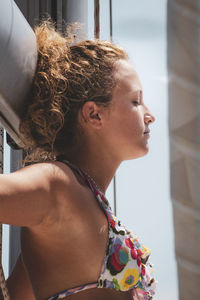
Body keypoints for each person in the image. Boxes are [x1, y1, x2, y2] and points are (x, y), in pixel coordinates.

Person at [0, 21, 156, 300]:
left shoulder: (77, 197)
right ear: (94, 115)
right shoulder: (58, 184)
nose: (149, 114)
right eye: (135, 101)